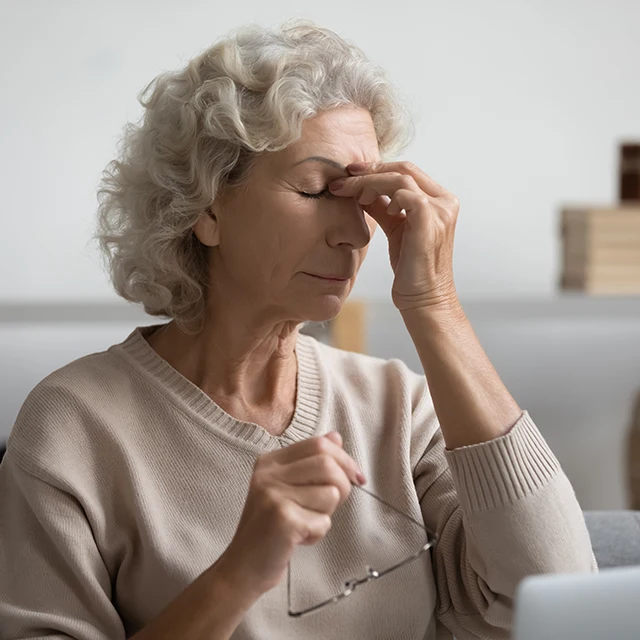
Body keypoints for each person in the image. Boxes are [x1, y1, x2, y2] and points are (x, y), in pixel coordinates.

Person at [0, 20, 596, 640]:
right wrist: (239, 574)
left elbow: (557, 600)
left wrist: (435, 303)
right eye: (315, 190)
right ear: (204, 207)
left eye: (360, 199)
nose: (357, 233)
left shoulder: (399, 407)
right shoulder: (72, 427)